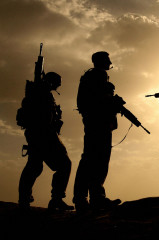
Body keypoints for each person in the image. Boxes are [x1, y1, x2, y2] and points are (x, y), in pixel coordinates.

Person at [73, 51, 122, 211]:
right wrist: (113, 101)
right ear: (101, 61)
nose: (110, 61)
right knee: (94, 161)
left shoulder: (93, 76)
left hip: (98, 123)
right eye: (107, 59)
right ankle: (88, 199)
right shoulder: (97, 76)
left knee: (93, 160)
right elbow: (98, 100)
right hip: (98, 124)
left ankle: (92, 198)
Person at [18, 72, 74, 211]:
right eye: (57, 82)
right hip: (43, 134)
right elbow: (41, 116)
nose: (59, 85)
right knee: (63, 164)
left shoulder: (41, 92)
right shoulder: (40, 92)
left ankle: (25, 199)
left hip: (40, 134)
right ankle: (55, 199)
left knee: (35, 166)